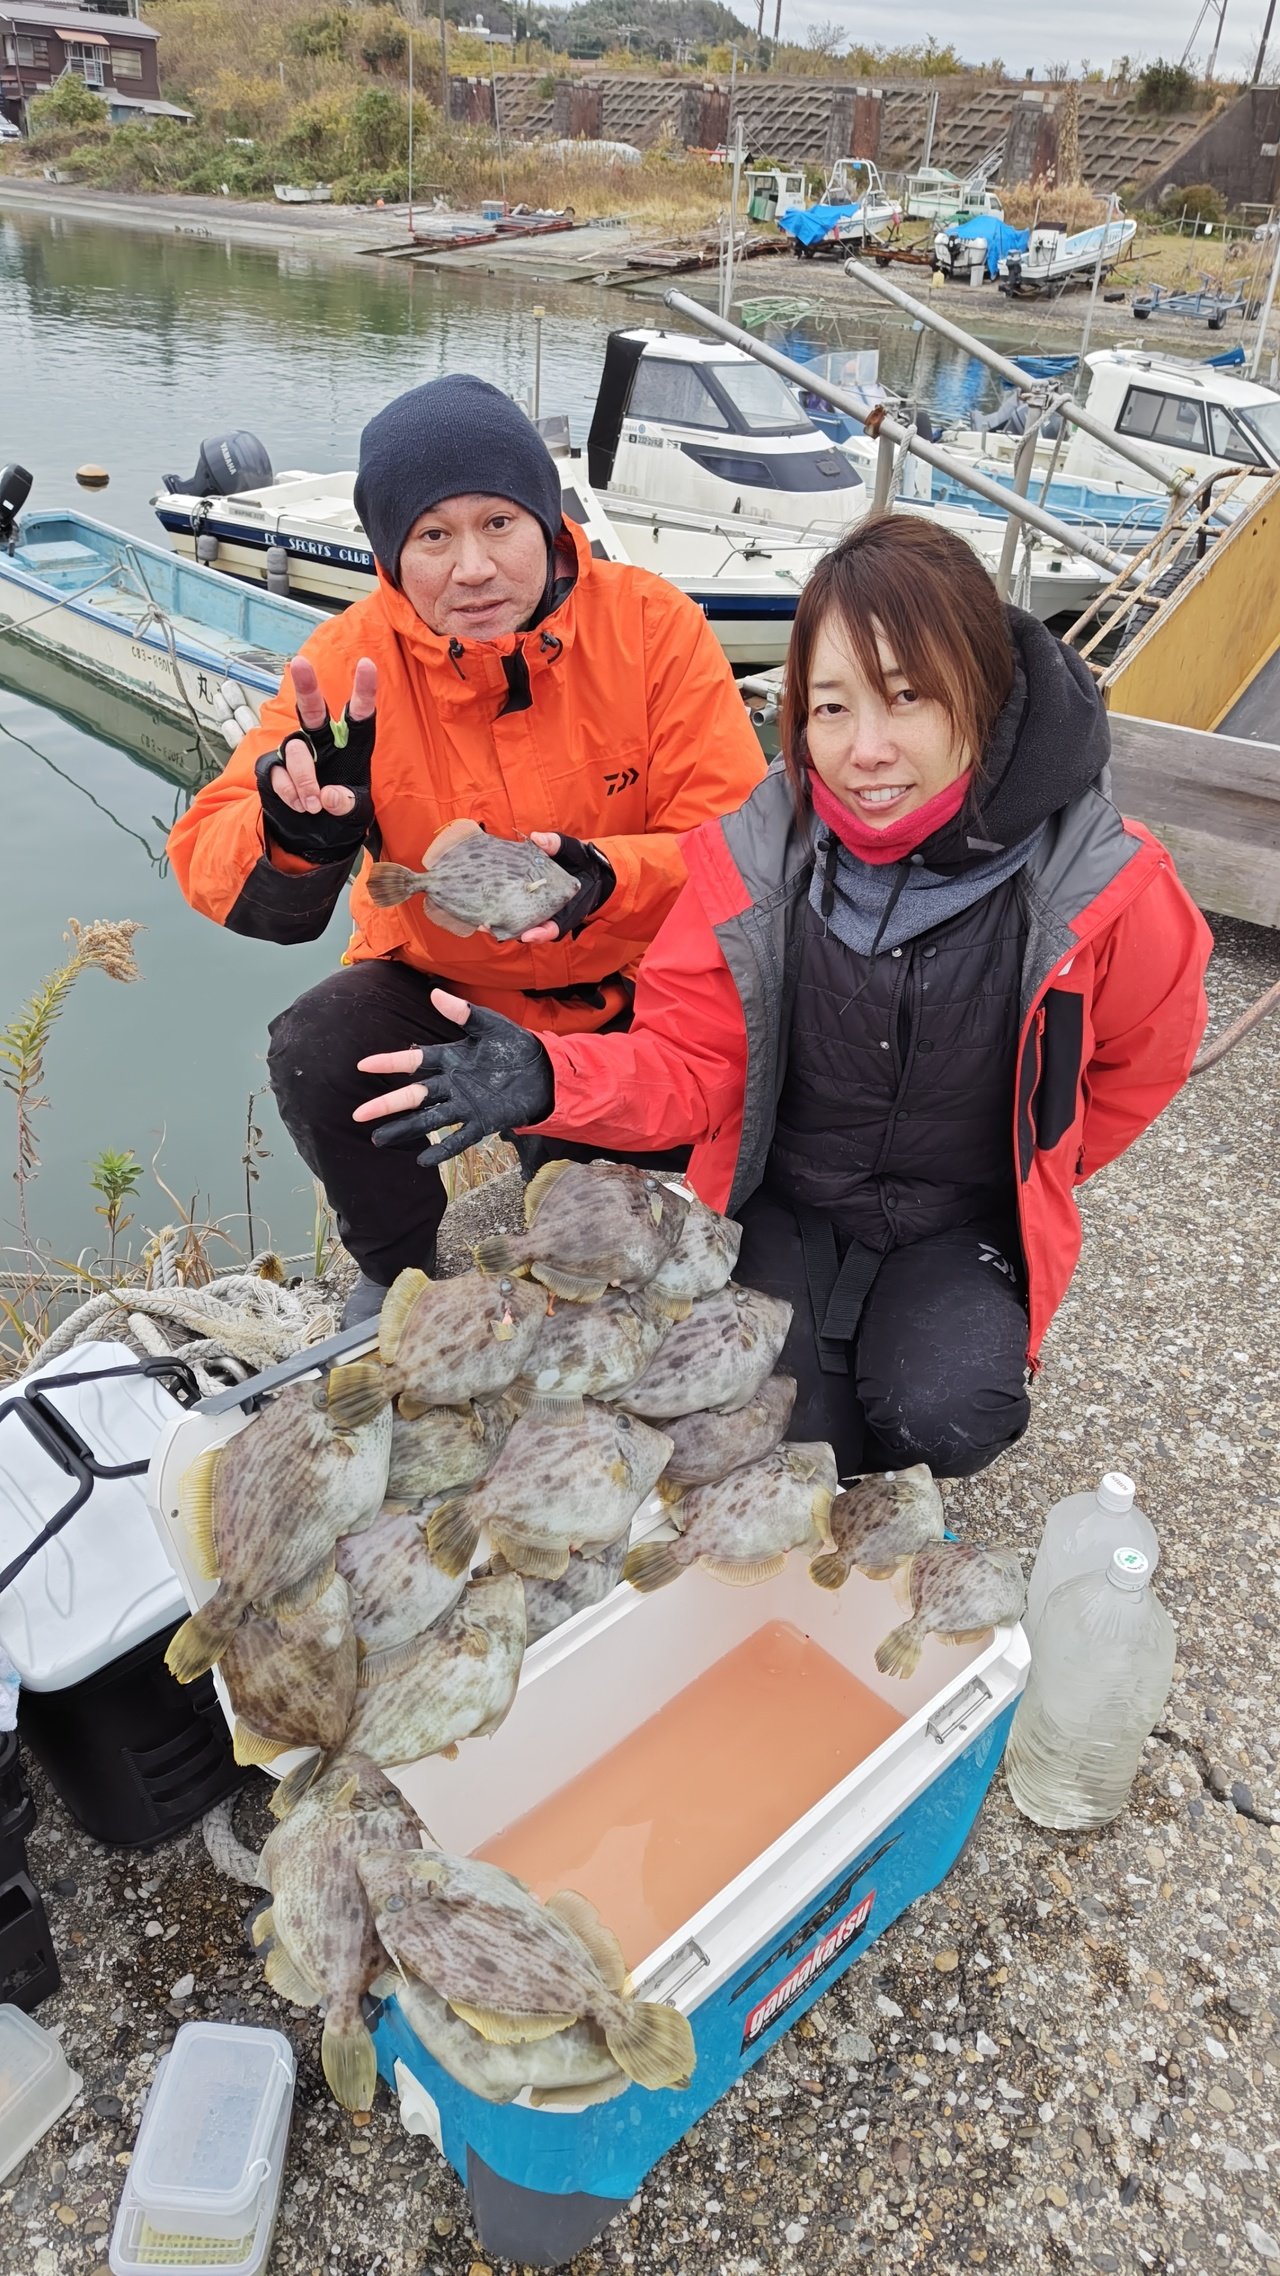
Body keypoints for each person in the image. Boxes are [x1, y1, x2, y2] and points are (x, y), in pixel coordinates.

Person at [352, 515, 1213, 1481]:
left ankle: (912, 1369)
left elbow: (1142, 1060)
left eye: (908, 697)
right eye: (831, 708)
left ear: (985, 690)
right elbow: (691, 1067)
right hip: (789, 1198)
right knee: (775, 1435)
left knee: (947, 1417)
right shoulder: (752, 862)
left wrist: (1046, 1157)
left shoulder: (1106, 880)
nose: (866, 750)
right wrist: (549, 1076)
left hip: (961, 1217)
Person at [167, 374, 765, 1321]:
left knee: (630, 1233)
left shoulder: (654, 628)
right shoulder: (348, 666)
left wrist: (606, 877)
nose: (474, 568)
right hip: (441, 988)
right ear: (389, 556)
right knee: (318, 1051)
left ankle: (575, 1150)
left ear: (547, 520)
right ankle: (393, 1263)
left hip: (630, 994)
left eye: (498, 523)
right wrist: (293, 837)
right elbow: (206, 847)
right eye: (433, 537)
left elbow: (738, 843)